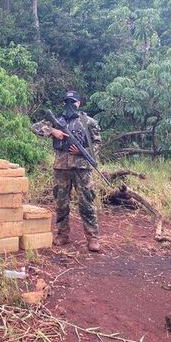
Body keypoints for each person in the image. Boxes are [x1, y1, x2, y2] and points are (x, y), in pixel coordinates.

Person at [31, 90, 102, 252]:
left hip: (82, 168)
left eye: (73, 102)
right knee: (61, 203)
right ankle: (63, 235)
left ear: (79, 103)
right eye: (67, 102)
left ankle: (93, 238)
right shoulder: (58, 121)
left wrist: (81, 150)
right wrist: (52, 131)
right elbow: (34, 127)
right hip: (61, 167)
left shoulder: (88, 122)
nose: (70, 105)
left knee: (87, 203)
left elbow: (97, 144)